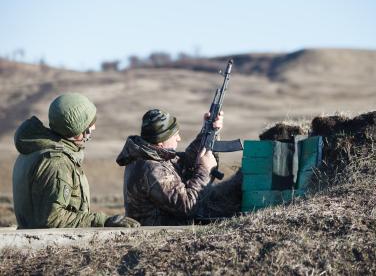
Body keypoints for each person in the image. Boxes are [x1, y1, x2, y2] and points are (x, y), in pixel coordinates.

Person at [13, 93, 140, 229]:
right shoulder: (56, 162)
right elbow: (53, 218)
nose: (94, 127)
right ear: (79, 129)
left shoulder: (36, 150)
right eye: (90, 123)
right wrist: (102, 221)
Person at [116, 109, 223, 226]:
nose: (179, 138)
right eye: (175, 135)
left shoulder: (153, 155)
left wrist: (209, 131)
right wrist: (205, 171)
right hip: (157, 236)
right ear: (160, 142)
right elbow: (188, 206)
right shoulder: (153, 169)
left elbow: (186, 162)